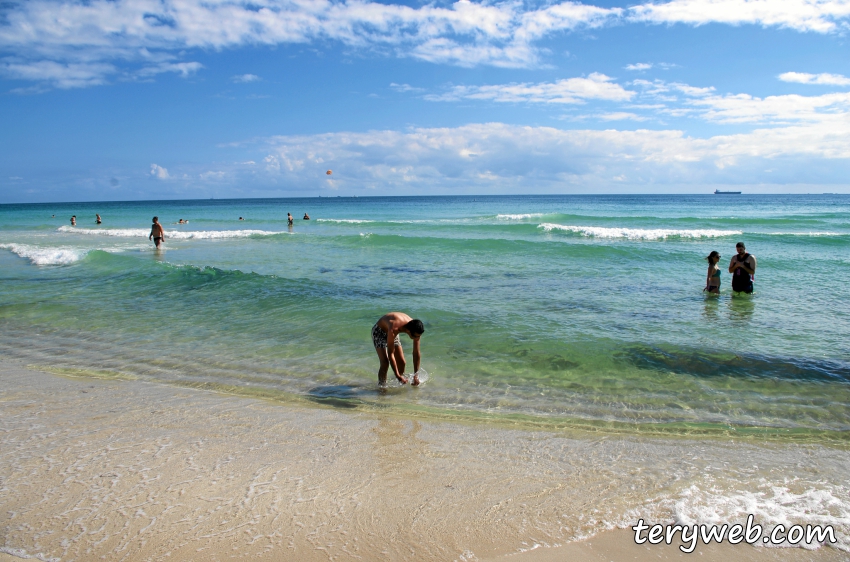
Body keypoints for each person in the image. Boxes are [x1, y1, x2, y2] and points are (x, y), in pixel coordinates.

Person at [372, 312, 424, 386]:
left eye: (419, 336)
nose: (417, 338)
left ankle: (398, 383)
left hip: (391, 331)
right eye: (416, 336)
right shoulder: (394, 329)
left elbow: (416, 353)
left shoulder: (416, 328)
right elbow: (391, 354)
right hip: (379, 332)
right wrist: (398, 376)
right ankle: (382, 387)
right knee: (385, 362)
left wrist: (416, 375)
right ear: (408, 331)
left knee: (402, 362)